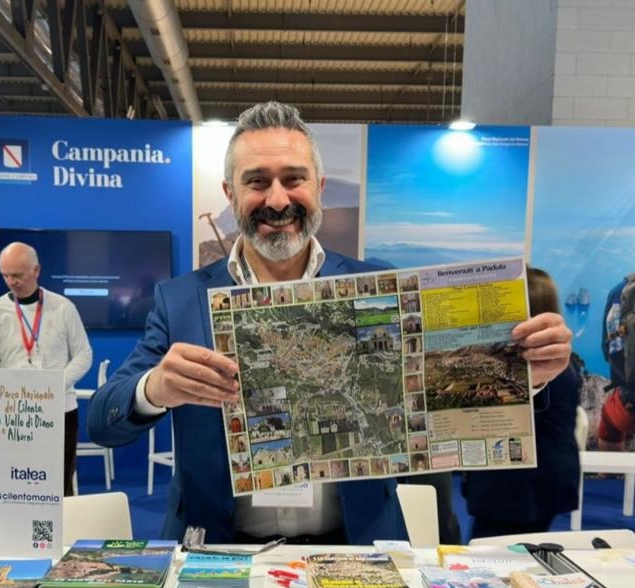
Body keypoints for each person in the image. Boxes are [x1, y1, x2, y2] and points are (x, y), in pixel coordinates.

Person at [87, 101, 572, 545]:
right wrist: (154, 388)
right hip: (221, 552)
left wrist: (525, 373)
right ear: (230, 194)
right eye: (257, 182)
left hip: (353, 548)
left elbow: (436, 393)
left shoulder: (376, 287)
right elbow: (103, 421)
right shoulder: (180, 299)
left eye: (293, 179)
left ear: (318, 187)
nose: (278, 200)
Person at [463, 267, 582, 538]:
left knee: (493, 551)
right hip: (534, 482)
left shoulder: (539, 367)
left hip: (517, 488)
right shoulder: (562, 365)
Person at [0, 242, 93, 496]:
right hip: (11, 415)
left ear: (36, 270)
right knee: (15, 485)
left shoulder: (63, 308)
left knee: (59, 484)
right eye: (5, 275)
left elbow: (84, 354)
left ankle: (62, 524)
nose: (11, 282)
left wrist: (53, 385)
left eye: (17, 275)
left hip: (59, 410)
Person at [598, 274, 635, 451]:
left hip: (630, 405)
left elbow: (608, 351)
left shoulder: (619, 292)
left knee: (609, 419)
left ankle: (611, 468)